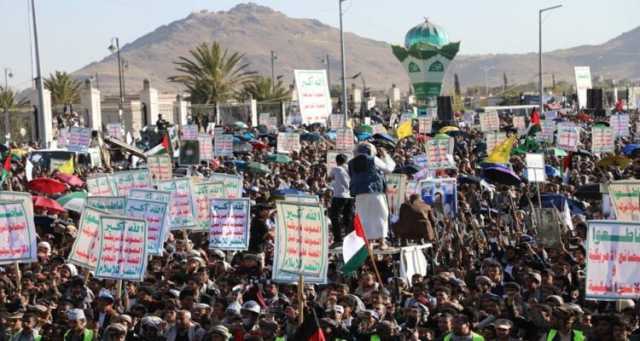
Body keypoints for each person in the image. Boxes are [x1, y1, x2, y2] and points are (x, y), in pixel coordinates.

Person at [348, 142, 395, 248]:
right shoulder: (372, 159)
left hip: (359, 194)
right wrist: (385, 156)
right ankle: (382, 242)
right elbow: (389, 169)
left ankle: (368, 243)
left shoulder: (351, 163)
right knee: (381, 215)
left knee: (364, 217)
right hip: (375, 192)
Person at [328, 153, 354, 247]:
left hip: (339, 196)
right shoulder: (350, 169)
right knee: (348, 218)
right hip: (350, 196)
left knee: (334, 216)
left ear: (337, 161)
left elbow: (329, 179)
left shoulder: (336, 169)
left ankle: (338, 239)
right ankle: (350, 239)